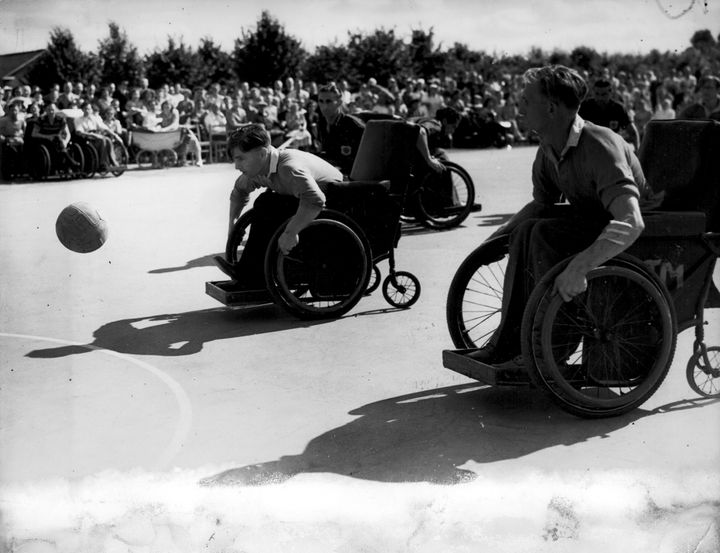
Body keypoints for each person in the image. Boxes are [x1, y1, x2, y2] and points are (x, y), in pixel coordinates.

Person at [468, 65, 659, 372]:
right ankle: (506, 343)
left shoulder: (599, 145)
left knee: (543, 234)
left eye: (526, 100)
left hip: (642, 239)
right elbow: (540, 206)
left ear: (551, 108)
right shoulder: (548, 148)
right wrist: (494, 242)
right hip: (598, 223)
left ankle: (551, 349)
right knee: (528, 231)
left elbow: (631, 221)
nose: (519, 105)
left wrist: (580, 267)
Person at [213, 123, 344, 289]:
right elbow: (239, 192)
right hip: (303, 198)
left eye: (240, 158)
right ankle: (251, 272)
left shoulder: (288, 168)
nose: (236, 166)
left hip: (334, 201)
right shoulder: (259, 168)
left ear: (261, 153)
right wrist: (233, 227)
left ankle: (254, 274)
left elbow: (315, 200)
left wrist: (291, 232)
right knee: (265, 203)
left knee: (270, 208)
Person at [314, 83, 366, 176]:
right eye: (321, 101)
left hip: (350, 175)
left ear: (339, 102)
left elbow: (364, 159)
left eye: (328, 101)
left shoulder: (354, 126)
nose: (324, 106)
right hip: (329, 171)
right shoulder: (321, 123)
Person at [579, 78, 639, 151]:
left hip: (612, 148)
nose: (600, 98)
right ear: (593, 92)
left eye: (604, 94)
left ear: (611, 93)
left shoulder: (618, 108)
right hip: (589, 148)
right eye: (597, 94)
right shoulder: (585, 107)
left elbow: (632, 132)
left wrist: (637, 152)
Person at [73, 102, 120, 168]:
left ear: (91, 110)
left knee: (108, 140)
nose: (87, 111)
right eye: (85, 109)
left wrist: (115, 135)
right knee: (102, 140)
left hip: (95, 136)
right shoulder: (78, 119)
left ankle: (113, 161)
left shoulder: (94, 118)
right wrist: (92, 135)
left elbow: (104, 127)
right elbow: (79, 132)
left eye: (89, 109)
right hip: (86, 139)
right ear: (82, 110)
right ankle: (102, 163)